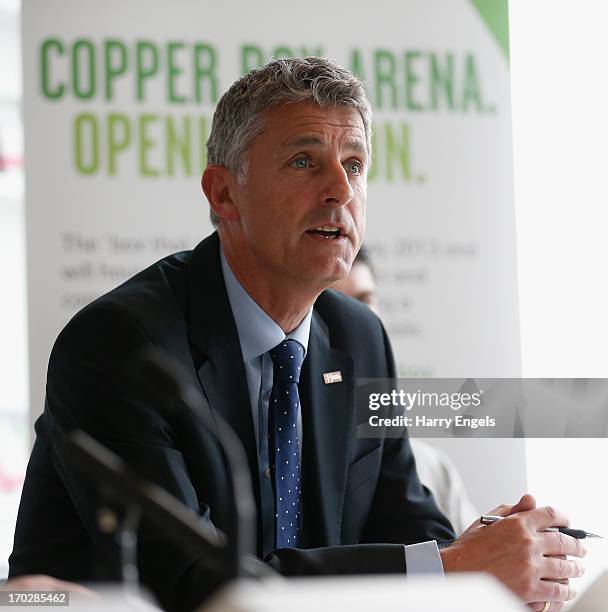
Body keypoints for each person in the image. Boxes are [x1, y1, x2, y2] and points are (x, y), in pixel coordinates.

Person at [9, 58, 584, 612]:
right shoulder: (123, 345)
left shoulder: (359, 338)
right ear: (224, 194)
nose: (340, 189)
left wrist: (486, 555)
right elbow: (196, 586)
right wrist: (452, 569)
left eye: (355, 165)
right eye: (306, 162)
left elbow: (408, 523)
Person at [332, 247, 479, 534]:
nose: (349, 318)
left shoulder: (433, 470)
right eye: (335, 303)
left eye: (364, 301)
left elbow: (471, 563)